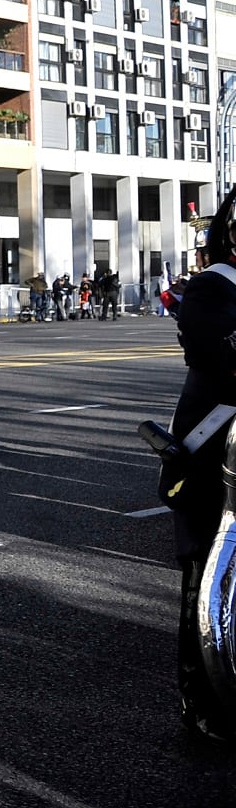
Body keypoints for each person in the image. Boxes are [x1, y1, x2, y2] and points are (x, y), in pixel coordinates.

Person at [164, 195, 236, 743]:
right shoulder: (212, 287)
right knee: (206, 577)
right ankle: (202, 698)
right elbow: (222, 356)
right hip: (213, 452)